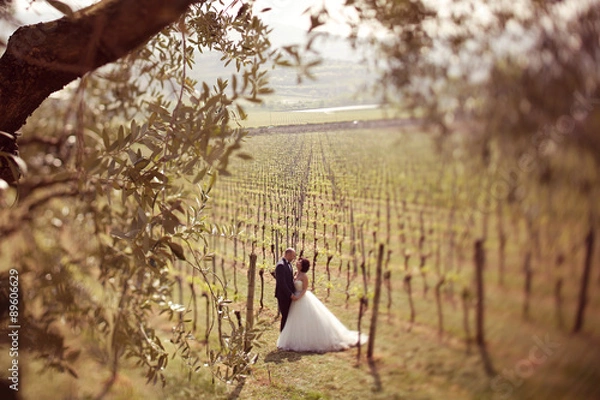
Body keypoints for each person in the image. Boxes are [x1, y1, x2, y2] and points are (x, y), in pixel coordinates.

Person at [277, 257, 368, 353]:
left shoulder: (304, 276)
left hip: (301, 298)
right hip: (294, 299)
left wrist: (298, 297)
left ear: (303, 265)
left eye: (300, 261)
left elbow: (304, 289)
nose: (297, 262)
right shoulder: (295, 273)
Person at [274, 248, 298, 332]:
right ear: (288, 254)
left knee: (288, 316)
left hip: (288, 295)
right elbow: (282, 283)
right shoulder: (281, 265)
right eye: (293, 255)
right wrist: (290, 294)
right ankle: (283, 335)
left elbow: (288, 280)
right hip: (283, 296)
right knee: (285, 316)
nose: (294, 257)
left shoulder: (289, 264)